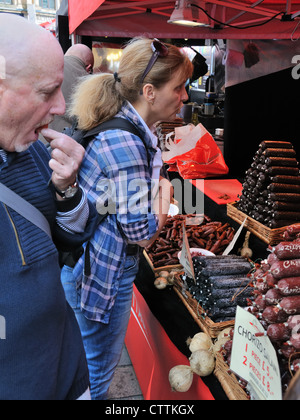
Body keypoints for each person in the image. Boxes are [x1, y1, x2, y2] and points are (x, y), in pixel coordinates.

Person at [62, 37, 193, 399]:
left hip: (87, 266)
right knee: (96, 378)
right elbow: (141, 234)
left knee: (86, 371)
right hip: (101, 275)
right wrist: (165, 197)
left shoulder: (128, 126)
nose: (184, 96)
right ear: (149, 91)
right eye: (178, 87)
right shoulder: (128, 143)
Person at [0, 14, 99, 400]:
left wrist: (67, 189)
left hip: (66, 368)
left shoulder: (32, 149)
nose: (60, 106)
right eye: (47, 91)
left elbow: (70, 240)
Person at [49, 44, 94, 133]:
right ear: (88, 68)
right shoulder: (89, 82)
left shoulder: (46, 64)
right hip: (68, 140)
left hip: (37, 139)